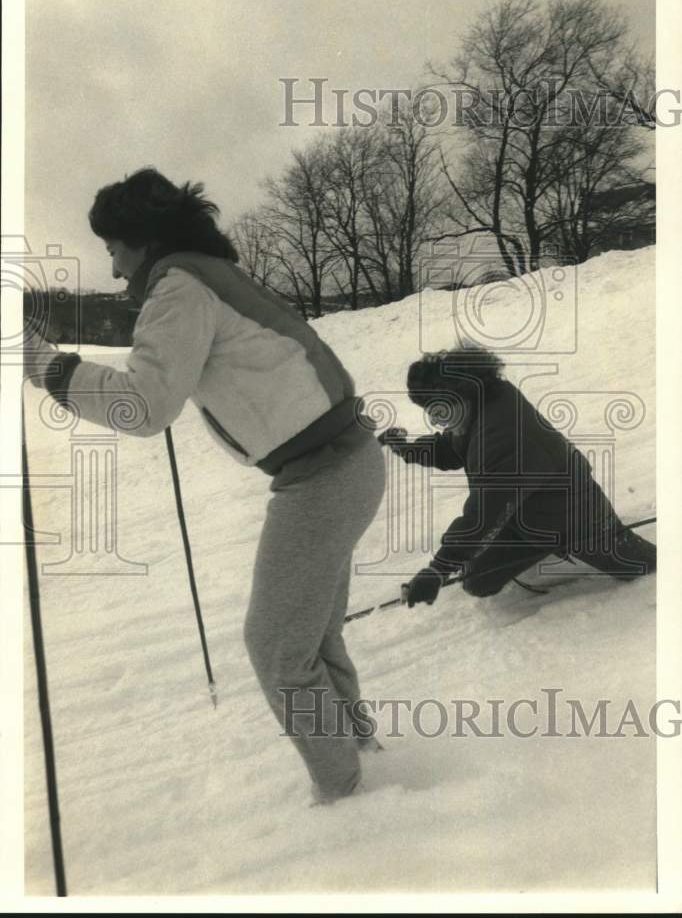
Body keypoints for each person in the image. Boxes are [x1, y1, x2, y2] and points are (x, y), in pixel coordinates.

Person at [24, 167, 386, 805]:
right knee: (310, 637)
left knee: (276, 646)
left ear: (140, 238)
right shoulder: (205, 273)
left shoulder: (181, 286)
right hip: (346, 460)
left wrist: (45, 365)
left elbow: (145, 404)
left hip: (324, 474)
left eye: (112, 249)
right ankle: (362, 757)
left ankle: (349, 797)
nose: (112, 269)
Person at [378, 346, 656, 606]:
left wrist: (437, 571)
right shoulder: (480, 403)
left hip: (574, 518)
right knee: (476, 581)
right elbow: (452, 448)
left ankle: (574, 553)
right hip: (524, 511)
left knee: (647, 566)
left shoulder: (504, 435)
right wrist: (405, 448)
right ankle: (544, 551)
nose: (438, 421)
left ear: (462, 393)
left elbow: (482, 516)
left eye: (441, 410)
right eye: (432, 413)